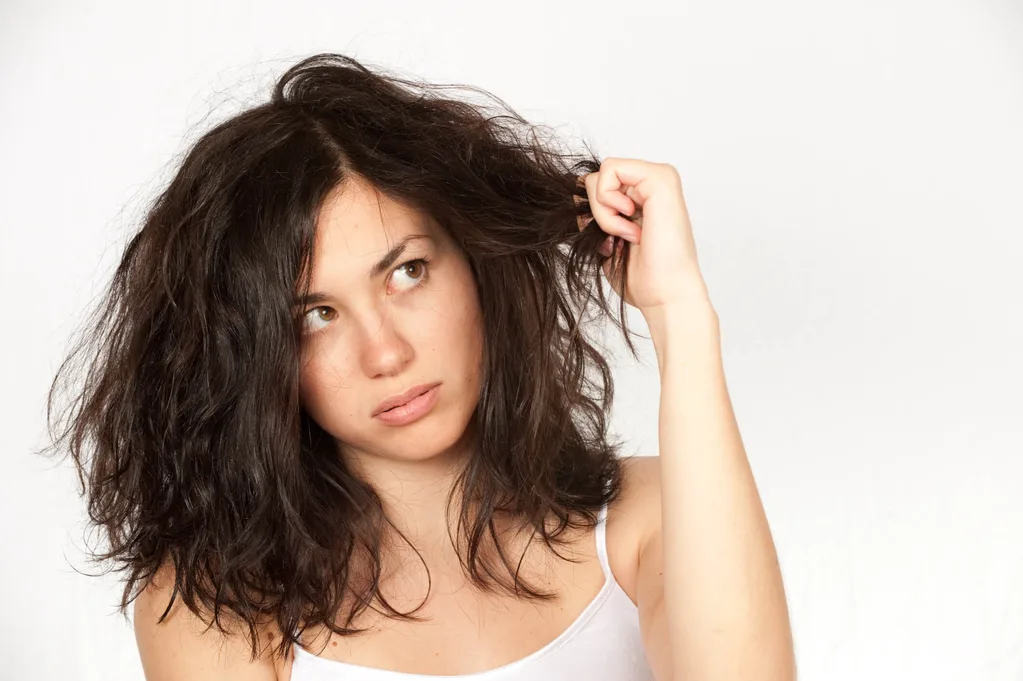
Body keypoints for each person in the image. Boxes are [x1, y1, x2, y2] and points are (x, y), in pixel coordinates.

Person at [45, 53, 795, 680]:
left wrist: (679, 313)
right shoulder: (219, 602)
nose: (387, 353)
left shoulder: (645, 517)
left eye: (406, 272)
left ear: (473, 259)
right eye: (315, 315)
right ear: (251, 358)